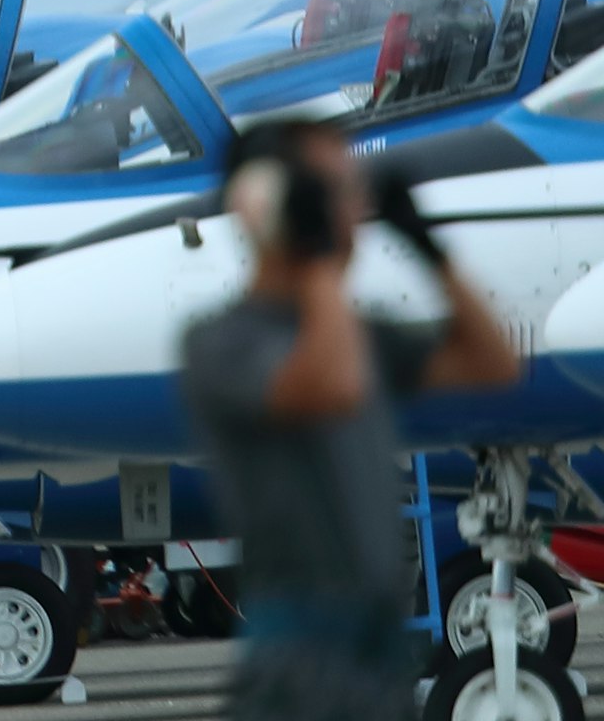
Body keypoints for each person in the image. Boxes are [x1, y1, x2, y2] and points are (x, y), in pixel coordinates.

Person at [178, 119, 519, 721]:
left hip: (378, 660)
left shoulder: (353, 332)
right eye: (328, 193)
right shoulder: (222, 341)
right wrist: (313, 255)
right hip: (300, 667)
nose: (349, 211)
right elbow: (332, 386)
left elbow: (491, 361)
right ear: (269, 206)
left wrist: (427, 246)